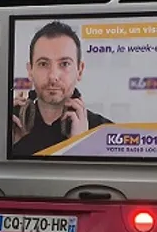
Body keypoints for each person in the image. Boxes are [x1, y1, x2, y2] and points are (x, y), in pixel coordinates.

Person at [11, 20, 112, 156]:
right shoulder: (11, 125)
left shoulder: (105, 132)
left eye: (64, 64)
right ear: (30, 71)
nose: (53, 76)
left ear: (79, 70)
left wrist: (81, 145)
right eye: (43, 64)